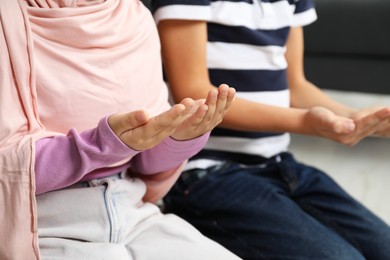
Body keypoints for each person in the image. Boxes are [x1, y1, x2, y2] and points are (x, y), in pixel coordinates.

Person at [0, 0, 242, 259]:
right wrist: (101, 146)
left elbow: (145, 164)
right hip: (38, 222)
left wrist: (179, 138)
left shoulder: (135, 18)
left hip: (134, 211)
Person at [150, 0, 390, 259]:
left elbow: (296, 85)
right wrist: (304, 123)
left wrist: (350, 118)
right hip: (204, 173)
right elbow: (195, 94)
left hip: (278, 164)